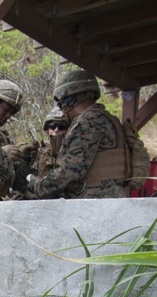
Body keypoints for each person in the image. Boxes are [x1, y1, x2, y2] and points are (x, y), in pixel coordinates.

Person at [27, 69, 130, 200]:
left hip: (93, 203)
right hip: (110, 200)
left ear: (69, 99)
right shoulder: (108, 119)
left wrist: (38, 186)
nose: (62, 109)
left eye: (61, 102)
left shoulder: (87, 122)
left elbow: (67, 173)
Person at [8, 107, 68, 198]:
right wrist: (25, 161)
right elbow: (19, 186)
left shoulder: (75, 152)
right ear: (47, 129)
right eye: (52, 126)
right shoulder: (37, 153)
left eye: (62, 127)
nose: (56, 130)